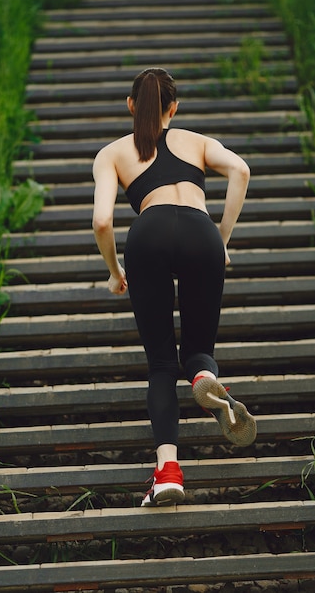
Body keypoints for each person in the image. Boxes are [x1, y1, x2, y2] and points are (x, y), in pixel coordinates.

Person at [92, 68, 257, 507]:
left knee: (162, 364)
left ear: (131, 105)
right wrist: (220, 238)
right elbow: (240, 170)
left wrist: (113, 271)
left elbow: (103, 221)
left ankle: (167, 473)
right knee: (199, 349)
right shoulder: (196, 141)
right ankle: (204, 376)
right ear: (174, 108)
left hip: (149, 233)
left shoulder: (112, 153)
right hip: (201, 230)